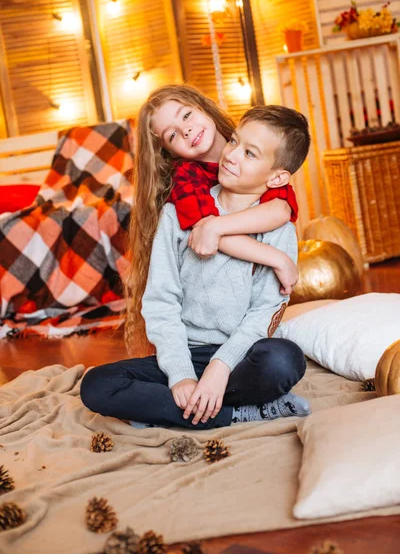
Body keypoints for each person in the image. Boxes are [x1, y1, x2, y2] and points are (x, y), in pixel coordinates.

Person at [80, 104, 311, 429]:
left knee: (284, 360)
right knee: (96, 385)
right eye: (233, 142)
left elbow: (263, 315)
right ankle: (237, 413)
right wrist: (180, 376)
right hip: (185, 351)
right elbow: (161, 302)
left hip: (239, 355)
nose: (231, 155)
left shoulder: (279, 228)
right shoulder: (178, 213)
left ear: (276, 177)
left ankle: (177, 409)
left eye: (250, 153)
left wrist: (220, 368)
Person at [124, 85, 300, 354]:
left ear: (203, 107)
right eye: (172, 135)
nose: (186, 131)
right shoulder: (185, 179)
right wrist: (277, 258)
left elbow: (281, 209)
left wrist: (217, 225)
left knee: (281, 357)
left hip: (247, 313)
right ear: (169, 152)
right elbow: (204, 236)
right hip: (203, 314)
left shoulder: (248, 140)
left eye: (186, 116)